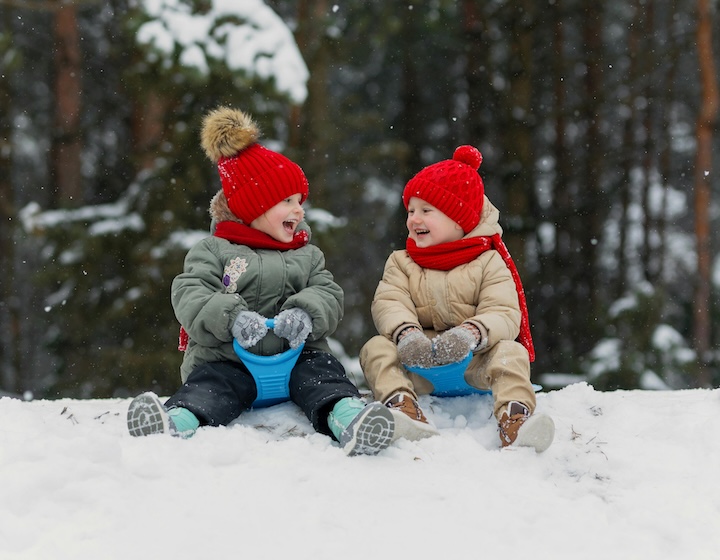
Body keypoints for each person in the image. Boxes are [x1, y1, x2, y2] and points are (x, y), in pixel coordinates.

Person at [126, 106, 394, 456]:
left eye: (300, 201)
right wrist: (232, 318)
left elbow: (328, 292)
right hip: (229, 360)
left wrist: (305, 313)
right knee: (208, 389)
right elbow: (190, 294)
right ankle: (174, 423)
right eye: (286, 201)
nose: (298, 210)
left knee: (325, 378)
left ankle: (350, 420)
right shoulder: (214, 251)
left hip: (296, 357)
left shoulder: (306, 254)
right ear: (253, 207)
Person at [359, 145, 554, 452]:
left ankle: (515, 418)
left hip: (474, 365)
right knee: (376, 349)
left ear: (458, 219)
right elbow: (389, 302)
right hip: (419, 363)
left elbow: (503, 311)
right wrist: (407, 334)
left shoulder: (488, 262)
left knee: (509, 352)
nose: (414, 219)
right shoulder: (401, 262)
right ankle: (402, 406)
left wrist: (472, 333)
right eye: (410, 211)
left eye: (426, 211)